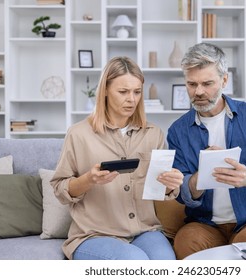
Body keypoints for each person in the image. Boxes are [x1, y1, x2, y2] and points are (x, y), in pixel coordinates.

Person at [51, 56, 183, 260]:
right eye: (123, 91)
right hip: (93, 235)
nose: (131, 99)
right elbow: (60, 190)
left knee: (165, 262)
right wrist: (89, 180)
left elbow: (158, 190)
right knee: (134, 261)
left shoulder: (153, 134)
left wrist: (171, 185)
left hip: (144, 231)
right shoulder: (78, 134)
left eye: (137, 92)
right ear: (105, 91)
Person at [167, 43, 246, 259]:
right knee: (186, 241)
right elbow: (181, 191)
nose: (199, 92)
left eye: (207, 83)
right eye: (191, 84)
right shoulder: (178, 131)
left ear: (224, 80)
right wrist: (198, 179)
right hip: (205, 224)